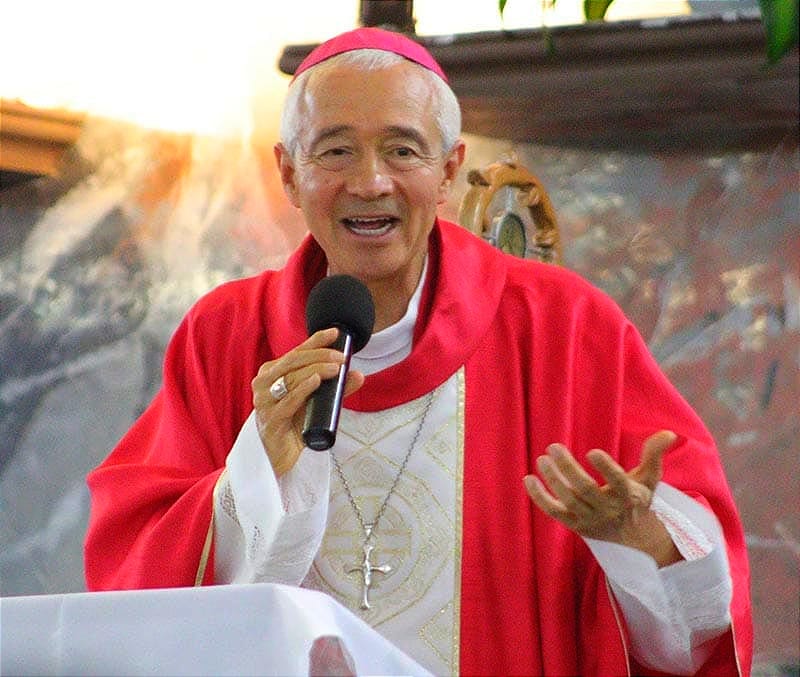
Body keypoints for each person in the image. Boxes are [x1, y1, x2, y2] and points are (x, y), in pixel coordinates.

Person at [84, 27, 753, 676]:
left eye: (402, 151)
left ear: (448, 172)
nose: (370, 182)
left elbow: (699, 626)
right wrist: (254, 476)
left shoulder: (567, 326)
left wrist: (644, 542)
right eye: (335, 151)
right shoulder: (224, 334)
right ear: (290, 173)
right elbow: (137, 581)